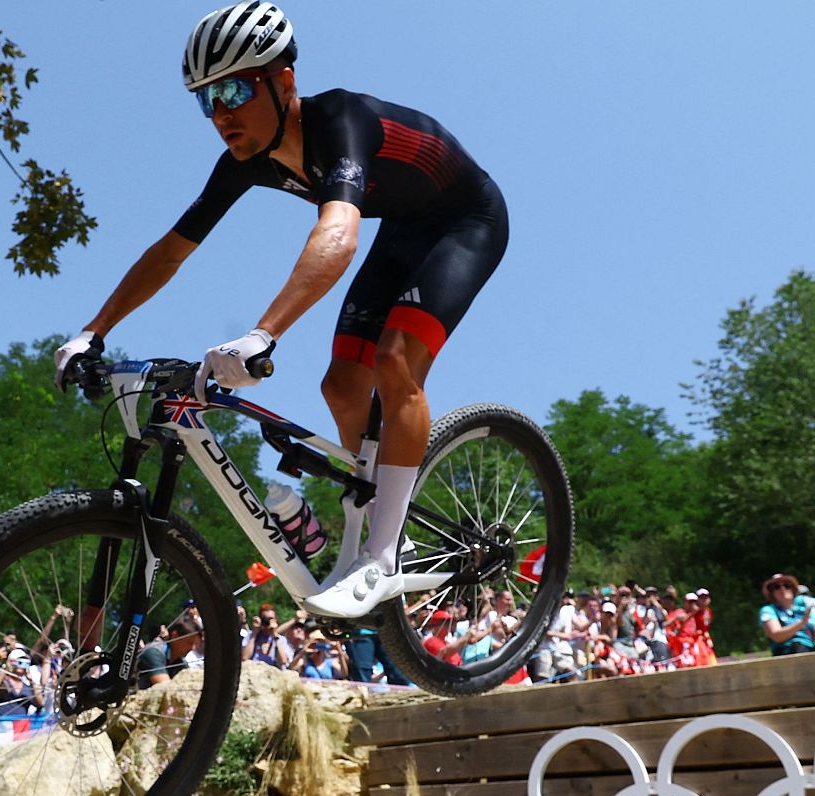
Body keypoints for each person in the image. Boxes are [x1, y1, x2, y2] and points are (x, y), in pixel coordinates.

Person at [54, 2, 508, 623]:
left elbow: (339, 232)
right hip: (404, 226)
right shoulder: (243, 162)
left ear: (285, 83)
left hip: (466, 221)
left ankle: (381, 556)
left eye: (235, 90)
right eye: (206, 99)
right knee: (342, 384)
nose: (220, 114)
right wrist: (92, 331)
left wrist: (264, 333)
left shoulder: (341, 120)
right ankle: (381, 512)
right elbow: (171, 250)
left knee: (396, 363)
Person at [759, 574, 815, 656]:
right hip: (787, 652)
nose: (782, 589)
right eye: (777, 587)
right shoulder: (768, 610)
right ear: (772, 593)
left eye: (787, 585)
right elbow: (776, 636)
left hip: (811, 651)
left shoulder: (803, 608)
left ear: (793, 589)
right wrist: (802, 623)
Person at [137, 615, 205, 689]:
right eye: (189, 642)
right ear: (175, 635)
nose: (192, 648)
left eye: (195, 644)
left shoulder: (181, 663)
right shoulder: (153, 652)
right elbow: (166, 689)